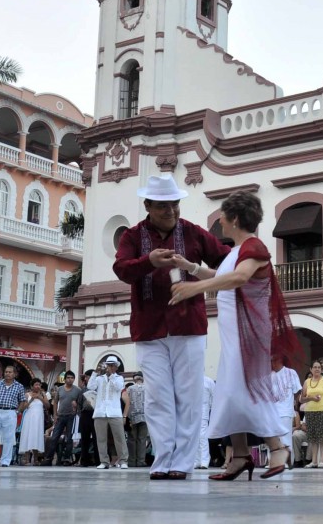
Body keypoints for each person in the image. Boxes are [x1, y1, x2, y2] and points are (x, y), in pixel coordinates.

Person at [169, 190, 301, 481]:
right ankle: (240, 455)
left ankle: (277, 447)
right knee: (230, 391)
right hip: (233, 332)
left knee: (246, 389)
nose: (222, 225)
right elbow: (223, 274)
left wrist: (193, 289)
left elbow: (239, 278)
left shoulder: (254, 247)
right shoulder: (238, 252)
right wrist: (190, 268)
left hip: (248, 333)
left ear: (236, 219)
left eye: (224, 220)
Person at [114, 173, 232, 481]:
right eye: (164, 206)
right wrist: (149, 261)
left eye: (175, 205)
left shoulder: (193, 233)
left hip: (189, 326)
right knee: (157, 396)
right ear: (148, 205)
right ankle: (162, 460)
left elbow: (226, 257)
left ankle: (183, 462)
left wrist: (198, 270)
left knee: (190, 396)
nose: (171, 211)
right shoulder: (132, 236)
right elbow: (122, 270)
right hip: (149, 328)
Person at [0, 364, 27, 467]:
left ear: (14, 374)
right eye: (6, 372)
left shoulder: (19, 386)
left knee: (8, 437)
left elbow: (22, 401)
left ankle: (5, 461)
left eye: (10, 372)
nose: (7, 374)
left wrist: (17, 412)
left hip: (10, 412)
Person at [90, 357, 129, 469]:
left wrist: (111, 375)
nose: (110, 367)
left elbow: (118, 387)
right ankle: (104, 461)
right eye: (108, 365)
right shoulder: (99, 378)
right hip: (100, 412)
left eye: (112, 365)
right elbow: (90, 387)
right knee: (101, 438)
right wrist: (95, 373)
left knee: (119, 438)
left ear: (116, 366)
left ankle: (123, 461)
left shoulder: (119, 378)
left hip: (114, 412)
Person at [299, 361, 323, 468]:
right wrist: (311, 398)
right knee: (313, 437)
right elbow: (301, 399)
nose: (317, 369)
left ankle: (322, 460)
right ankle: (314, 461)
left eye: (319, 367)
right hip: (310, 411)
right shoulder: (307, 382)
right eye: (315, 367)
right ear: (311, 369)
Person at [271, 357, 303, 468]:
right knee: (274, 438)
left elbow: (297, 391)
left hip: (285, 411)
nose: (272, 363)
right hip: (272, 412)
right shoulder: (270, 375)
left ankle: (286, 461)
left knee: (285, 437)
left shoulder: (291, 373)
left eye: (273, 360)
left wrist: (294, 408)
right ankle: (274, 461)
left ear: (279, 360)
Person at [48, 371, 83, 466]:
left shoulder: (78, 390)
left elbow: (80, 405)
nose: (70, 379)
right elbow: (55, 402)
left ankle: (67, 458)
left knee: (69, 438)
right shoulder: (59, 389)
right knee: (54, 437)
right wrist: (55, 415)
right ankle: (48, 458)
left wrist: (76, 406)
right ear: (64, 379)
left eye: (72, 378)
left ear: (74, 379)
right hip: (60, 416)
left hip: (72, 417)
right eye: (68, 377)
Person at [19, 378, 48, 465]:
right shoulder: (27, 395)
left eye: (39, 385)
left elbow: (47, 406)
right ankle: (26, 458)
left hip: (38, 419)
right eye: (36, 384)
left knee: (37, 436)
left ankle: (35, 459)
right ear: (32, 386)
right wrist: (31, 400)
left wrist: (41, 398)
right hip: (29, 418)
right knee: (28, 435)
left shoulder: (43, 395)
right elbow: (23, 408)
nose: (38, 386)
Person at [126, 372, 148, 467]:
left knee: (131, 439)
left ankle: (131, 461)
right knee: (142, 440)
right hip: (145, 416)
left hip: (132, 416)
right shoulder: (148, 388)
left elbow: (126, 402)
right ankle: (141, 461)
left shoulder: (129, 389)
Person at [196, 375, 214, 469]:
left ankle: (204, 461)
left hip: (203, 411)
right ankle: (196, 461)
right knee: (194, 437)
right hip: (192, 411)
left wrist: (210, 408)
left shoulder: (208, 381)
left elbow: (214, 395)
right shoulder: (190, 380)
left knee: (202, 436)